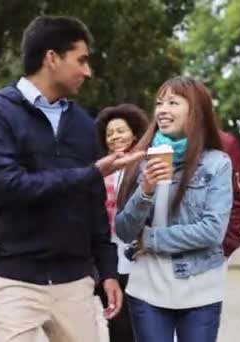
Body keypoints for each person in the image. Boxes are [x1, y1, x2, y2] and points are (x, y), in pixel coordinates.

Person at [0, 15, 144, 342]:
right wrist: (92, 172)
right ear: (52, 58)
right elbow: (10, 187)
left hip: (74, 281)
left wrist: (107, 271)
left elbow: (94, 204)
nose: (87, 71)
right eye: (81, 60)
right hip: (14, 280)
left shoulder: (82, 124)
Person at [115, 76, 233, 342]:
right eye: (159, 103)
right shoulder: (140, 160)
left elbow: (213, 231)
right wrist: (145, 190)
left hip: (201, 288)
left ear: (195, 110)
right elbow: (123, 230)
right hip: (147, 289)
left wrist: (151, 239)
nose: (162, 110)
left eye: (172, 102)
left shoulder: (217, 164)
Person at [95, 103, 149, 342]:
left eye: (121, 130)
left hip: (141, 258)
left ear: (135, 133)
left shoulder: (147, 166)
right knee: (118, 327)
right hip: (110, 261)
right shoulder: (101, 170)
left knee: (145, 326)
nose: (115, 136)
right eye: (110, 133)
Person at [219, 130, 240, 257]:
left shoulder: (224, 143)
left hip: (211, 257)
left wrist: (228, 244)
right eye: (159, 107)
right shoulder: (154, 142)